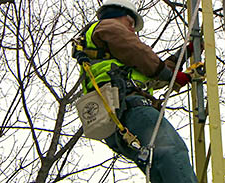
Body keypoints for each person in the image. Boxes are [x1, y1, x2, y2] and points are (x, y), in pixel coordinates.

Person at [74, 0, 198, 182]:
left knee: (158, 168)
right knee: (172, 152)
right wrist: (168, 74)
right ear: (117, 14)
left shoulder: (115, 61)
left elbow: (149, 75)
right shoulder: (108, 26)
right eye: (130, 23)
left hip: (115, 123)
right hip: (130, 109)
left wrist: (183, 56)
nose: (132, 30)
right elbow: (141, 54)